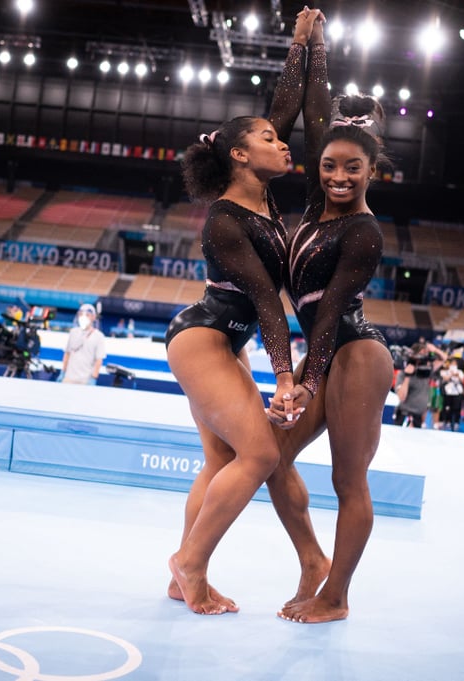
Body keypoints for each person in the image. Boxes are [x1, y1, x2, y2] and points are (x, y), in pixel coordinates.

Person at [164, 8, 320, 616]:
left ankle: (182, 573)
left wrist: (303, 46)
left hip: (222, 341)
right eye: (268, 140)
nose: (282, 143)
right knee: (258, 455)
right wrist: (286, 377)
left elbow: (281, 107)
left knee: (222, 459)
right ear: (238, 154)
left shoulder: (260, 193)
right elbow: (264, 301)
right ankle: (192, 566)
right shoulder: (227, 220)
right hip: (204, 336)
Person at [262, 14, 396, 624]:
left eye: (353, 169)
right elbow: (318, 115)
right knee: (267, 457)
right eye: (330, 167)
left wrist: (302, 382)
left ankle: (337, 597)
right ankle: (314, 561)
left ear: (373, 171)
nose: (339, 176)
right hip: (325, 350)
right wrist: (311, 47)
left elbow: (333, 313)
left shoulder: (364, 233)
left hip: (355, 353)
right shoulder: (316, 207)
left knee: (349, 481)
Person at [60, 303, 106, 385]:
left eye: (87, 315)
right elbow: (67, 353)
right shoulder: (73, 332)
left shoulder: (98, 336)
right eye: (81, 314)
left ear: (93, 317)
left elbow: (99, 360)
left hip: (85, 380)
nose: (83, 317)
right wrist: (63, 372)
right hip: (69, 378)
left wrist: (93, 378)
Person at [439, 357, 464, 431]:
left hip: (457, 392)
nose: (453, 365)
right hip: (448, 392)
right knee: (447, 407)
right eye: (452, 363)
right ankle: (446, 421)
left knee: (456, 408)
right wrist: (451, 374)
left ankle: (456, 422)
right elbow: (444, 378)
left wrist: (458, 376)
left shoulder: (460, 372)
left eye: (455, 364)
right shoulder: (446, 371)